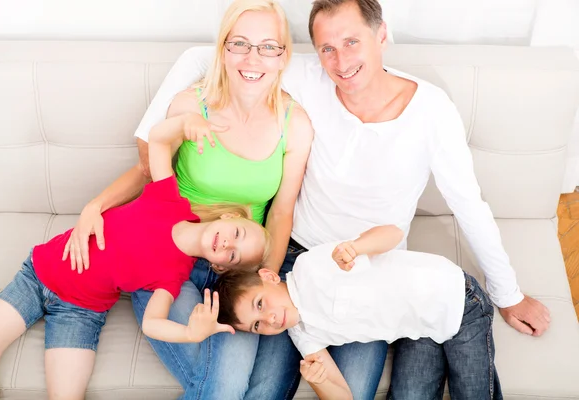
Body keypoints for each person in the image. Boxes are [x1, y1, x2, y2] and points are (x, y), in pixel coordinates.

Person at [135, 0, 552, 396]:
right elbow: (201, 57)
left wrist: (508, 295)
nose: (340, 61)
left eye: (351, 41)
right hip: (295, 262)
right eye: (327, 48)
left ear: (382, 34)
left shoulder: (431, 110)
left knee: (354, 389)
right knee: (266, 388)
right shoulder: (309, 76)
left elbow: (468, 205)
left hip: (370, 266)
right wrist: (149, 138)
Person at [61, 0, 314, 399]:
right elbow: (150, 170)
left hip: (239, 264)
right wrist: (95, 205)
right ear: (223, 48)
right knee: (226, 386)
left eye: (268, 46)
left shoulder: (294, 124)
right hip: (170, 258)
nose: (253, 58)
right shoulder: (190, 105)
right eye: (240, 44)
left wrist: (259, 278)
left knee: (253, 387)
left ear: (284, 56)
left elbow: (282, 211)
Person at [0, 112, 271, 400]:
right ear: (228, 216)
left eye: (233, 255)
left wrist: (191, 334)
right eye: (237, 234)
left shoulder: (174, 276)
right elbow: (157, 140)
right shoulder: (170, 199)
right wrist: (186, 123)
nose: (227, 245)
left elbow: (152, 323)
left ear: (218, 265)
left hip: (80, 312)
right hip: (38, 274)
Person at [214, 225, 503, 400]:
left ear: (269, 277)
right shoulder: (302, 334)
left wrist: (356, 247)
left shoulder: (311, 266)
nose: (270, 320)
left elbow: (393, 233)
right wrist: (320, 380)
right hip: (419, 333)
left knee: (473, 393)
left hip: (456, 300)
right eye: (257, 326)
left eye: (260, 305)